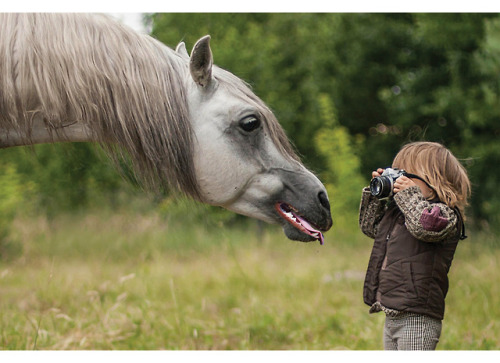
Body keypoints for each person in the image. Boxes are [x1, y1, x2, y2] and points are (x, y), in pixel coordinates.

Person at [359, 141, 471, 350]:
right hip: (393, 310)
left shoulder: (444, 214)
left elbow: (425, 227)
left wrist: (409, 197)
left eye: (406, 175)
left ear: (434, 179)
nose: (401, 180)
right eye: (397, 174)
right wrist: (377, 196)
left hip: (418, 316)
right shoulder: (401, 213)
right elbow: (371, 228)